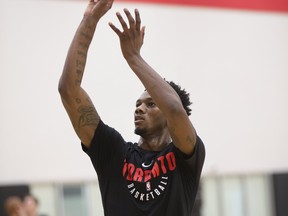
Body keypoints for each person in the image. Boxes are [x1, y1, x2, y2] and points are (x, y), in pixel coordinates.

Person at [58, 0, 205, 215]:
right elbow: (68, 90)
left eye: (151, 104)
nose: (139, 109)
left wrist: (133, 57)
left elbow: (174, 108)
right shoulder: (113, 152)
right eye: (138, 104)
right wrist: (89, 20)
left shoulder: (186, 157)